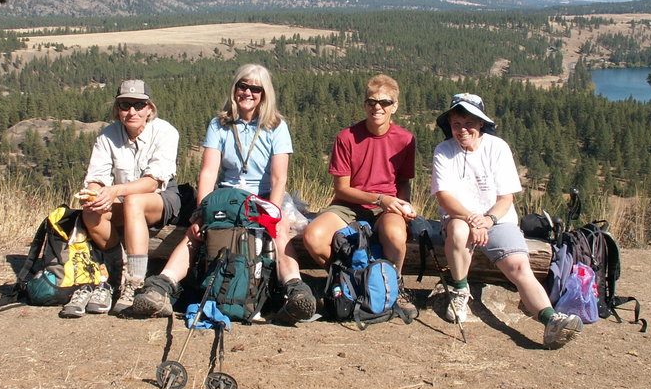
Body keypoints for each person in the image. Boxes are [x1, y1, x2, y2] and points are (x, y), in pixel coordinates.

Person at [132, 64, 316, 324]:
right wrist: (202, 213)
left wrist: (272, 213)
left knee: (279, 230)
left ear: (264, 94)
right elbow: (208, 173)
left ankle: (295, 289)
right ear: (235, 89)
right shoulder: (219, 125)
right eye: (243, 86)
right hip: (227, 196)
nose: (248, 93)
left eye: (255, 88)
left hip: (263, 196)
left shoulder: (276, 126)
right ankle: (163, 286)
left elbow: (278, 178)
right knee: (195, 232)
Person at [431, 93, 583, 349]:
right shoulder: (444, 151)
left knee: (520, 267)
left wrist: (487, 220)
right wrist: (471, 219)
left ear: (481, 123)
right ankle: (459, 290)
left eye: (469, 123)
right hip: (460, 219)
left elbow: (505, 198)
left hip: (497, 221)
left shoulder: (497, 147)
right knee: (458, 229)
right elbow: (445, 198)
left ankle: (550, 320)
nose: (462, 130)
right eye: (456, 124)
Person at [302, 74, 419, 319]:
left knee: (396, 235)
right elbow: (342, 189)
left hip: (386, 207)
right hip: (349, 205)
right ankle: (349, 282)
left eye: (385, 102)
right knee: (313, 237)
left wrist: (402, 206)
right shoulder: (347, 137)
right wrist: (380, 199)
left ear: (395, 106)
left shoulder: (405, 140)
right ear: (365, 104)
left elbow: (403, 182)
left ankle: (393, 286)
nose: (377, 107)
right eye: (371, 102)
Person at [69, 79, 180, 317]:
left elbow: (152, 182)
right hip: (122, 200)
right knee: (90, 212)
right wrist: (94, 193)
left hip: (160, 198)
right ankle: (116, 268)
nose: (132, 112)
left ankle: (135, 283)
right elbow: (97, 176)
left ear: (149, 108)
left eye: (139, 105)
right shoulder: (107, 135)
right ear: (117, 109)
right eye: (125, 105)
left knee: (134, 201)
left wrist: (113, 192)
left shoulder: (166, 132)